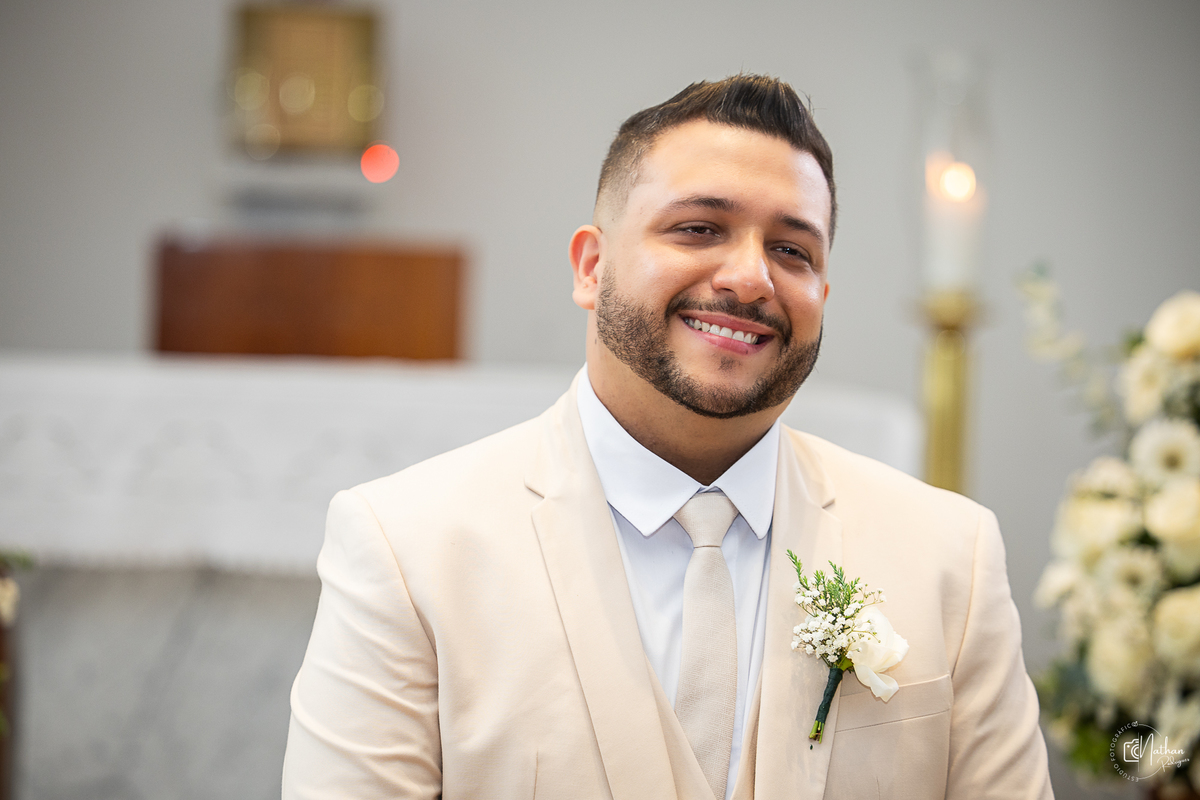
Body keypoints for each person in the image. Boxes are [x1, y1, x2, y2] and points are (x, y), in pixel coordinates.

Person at [282, 75, 1053, 800]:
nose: (750, 278)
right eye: (699, 228)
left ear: (822, 292)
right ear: (592, 267)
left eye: (792, 250)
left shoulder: (952, 555)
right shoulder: (407, 549)